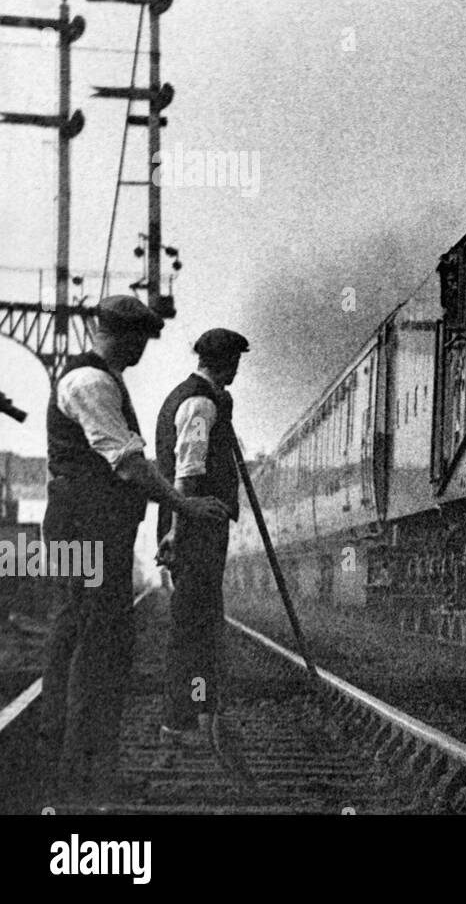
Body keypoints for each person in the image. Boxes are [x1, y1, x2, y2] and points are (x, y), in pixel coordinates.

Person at [41, 295, 230, 800]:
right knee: (100, 645)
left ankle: (66, 769)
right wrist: (184, 508)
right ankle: (83, 776)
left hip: (82, 528)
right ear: (121, 335)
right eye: (141, 340)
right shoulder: (92, 383)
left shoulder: (100, 379)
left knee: (75, 636)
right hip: (87, 531)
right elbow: (126, 464)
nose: (145, 350)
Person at [154, 328, 249, 765]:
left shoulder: (202, 400)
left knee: (200, 624)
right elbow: (187, 473)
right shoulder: (200, 404)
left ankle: (200, 715)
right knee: (192, 626)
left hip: (194, 527)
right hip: (196, 530)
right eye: (236, 360)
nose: (237, 369)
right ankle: (180, 721)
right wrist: (178, 529)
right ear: (227, 362)